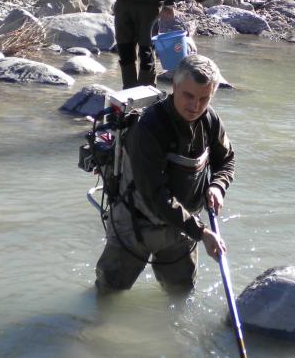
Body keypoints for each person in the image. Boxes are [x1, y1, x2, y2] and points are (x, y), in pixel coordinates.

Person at [95, 55, 234, 293]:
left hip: (182, 228)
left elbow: (227, 160)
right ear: (175, 87)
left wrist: (218, 186)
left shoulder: (209, 120)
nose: (195, 106)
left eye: (204, 98)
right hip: (137, 223)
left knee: (180, 293)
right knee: (108, 295)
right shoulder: (149, 128)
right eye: (188, 96)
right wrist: (202, 233)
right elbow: (156, 197)